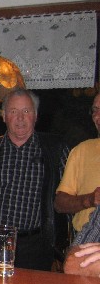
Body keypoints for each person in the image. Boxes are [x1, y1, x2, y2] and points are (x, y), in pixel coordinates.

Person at [0, 89, 69, 271]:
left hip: (37, 246)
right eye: (13, 111)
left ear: (36, 115)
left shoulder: (54, 149)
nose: (20, 118)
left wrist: (64, 244)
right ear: (4, 116)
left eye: (26, 111)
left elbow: (66, 196)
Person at [54, 92, 100, 235]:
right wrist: (89, 200)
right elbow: (60, 203)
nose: (98, 115)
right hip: (85, 239)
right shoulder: (82, 150)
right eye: (95, 110)